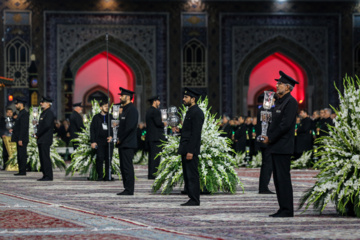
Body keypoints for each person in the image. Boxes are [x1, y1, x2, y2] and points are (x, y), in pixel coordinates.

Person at [262, 71, 298, 217]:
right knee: (277, 180)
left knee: (283, 179)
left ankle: (287, 209)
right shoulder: (279, 102)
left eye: (280, 84)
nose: (277, 85)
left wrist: (270, 138)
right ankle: (283, 208)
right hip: (275, 146)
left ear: (288, 87)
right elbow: (272, 121)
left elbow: (285, 125)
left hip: (283, 146)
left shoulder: (291, 102)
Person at [178, 88, 204, 206]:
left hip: (190, 149)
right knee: (187, 174)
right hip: (185, 147)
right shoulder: (190, 111)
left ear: (193, 99)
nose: (183, 99)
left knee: (192, 174)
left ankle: (195, 199)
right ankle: (191, 197)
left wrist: (191, 151)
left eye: (186, 97)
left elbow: (195, 134)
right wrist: (179, 130)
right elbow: (188, 131)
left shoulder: (197, 112)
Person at [116, 87, 138, 195]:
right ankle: (126, 187)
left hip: (128, 143)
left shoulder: (132, 110)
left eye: (122, 95)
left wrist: (120, 139)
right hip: (123, 143)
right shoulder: (124, 109)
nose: (120, 97)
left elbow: (129, 128)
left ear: (128, 97)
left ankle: (129, 189)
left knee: (127, 166)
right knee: (123, 166)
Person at [90, 99, 114, 181]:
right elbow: (92, 130)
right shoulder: (96, 117)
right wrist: (93, 141)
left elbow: (115, 129)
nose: (107, 108)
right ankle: (100, 176)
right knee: (99, 159)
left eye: (108, 106)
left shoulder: (111, 117)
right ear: (100, 108)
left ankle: (108, 176)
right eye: (105, 106)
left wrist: (112, 136)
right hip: (99, 141)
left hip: (108, 142)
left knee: (108, 159)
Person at [145, 95, 166, 179]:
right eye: (158, 101)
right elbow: (158, 123)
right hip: (156, 138)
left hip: (150, 137)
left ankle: (151, 174)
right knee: (156, 158)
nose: (159, 103)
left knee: (152, 157)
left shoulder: (148, 111)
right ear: (155, 101)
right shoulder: (156, 111)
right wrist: (163, 124)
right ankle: (153, 174)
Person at [35, 96, 55, 181]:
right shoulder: (44, 113)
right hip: (41, 138)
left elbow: (46, 126)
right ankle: (45, 174)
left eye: (42, 102)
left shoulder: (49, 113)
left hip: (45, 138)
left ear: (48, 104)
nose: (41, 103)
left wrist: (38, 133)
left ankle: (48, 175)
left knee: (45, 157)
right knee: (42, 157)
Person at [11, 98, 29, 176]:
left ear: (21, 105)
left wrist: (20, 138)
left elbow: (23, 127)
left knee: (22, 155)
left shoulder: (24, 113)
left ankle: (22, 171)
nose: (15, 105)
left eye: (17, 104)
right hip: (19, 138)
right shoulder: (20, 113)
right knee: (20, 155)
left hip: (22, 139)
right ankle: (21, 170)